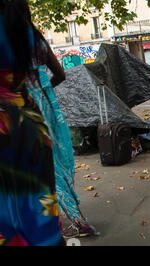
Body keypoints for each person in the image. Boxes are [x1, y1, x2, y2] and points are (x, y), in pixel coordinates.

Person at [13, 0, 97, 238]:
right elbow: (59, 74)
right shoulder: (37, 40)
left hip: (21, 113)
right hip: (49, 112)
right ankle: (74, 220)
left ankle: (49, 227)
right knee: (55, 166)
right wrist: (43, 90)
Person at [0, 0, 64, 245]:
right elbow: (60, 74)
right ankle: (49, 237)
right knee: (42, 192)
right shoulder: (32, 37)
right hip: (32, 124)